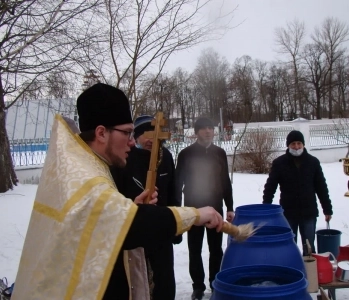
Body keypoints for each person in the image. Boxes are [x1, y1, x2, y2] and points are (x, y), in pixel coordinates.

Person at [12, 83, 224, 300]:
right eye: (127, 133)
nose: (132, 142)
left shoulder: (83, 163)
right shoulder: (84, 177)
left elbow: (101, 221)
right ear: (102, 133)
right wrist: (196, 214)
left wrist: (133, 209)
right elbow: (130, 224)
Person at [111, 114, 181, 300]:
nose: (151, 140)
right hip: (137, 232)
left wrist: (176, 227)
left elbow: (174, 190)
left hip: (163, 228)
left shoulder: (165, 157)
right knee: (140, 280)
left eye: (155, 135)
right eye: (146, 135)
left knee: (164, 280)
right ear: (137, 137)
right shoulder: (127, 158)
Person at [175, 117, 234, 300]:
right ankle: (198, 287)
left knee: (216, 249)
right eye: (203, 128)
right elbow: (178, 183)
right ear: (196, 132)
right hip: (193, 209)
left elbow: (225, 181)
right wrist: (178, 210)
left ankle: (215, 283)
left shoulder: (220, 153)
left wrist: (230, 206)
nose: (208, 131)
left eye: (211, 128)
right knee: (195, 249)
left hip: (215, 207)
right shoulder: (186, 154)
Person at [262, 130, 333, 255]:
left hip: (308, 212)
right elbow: (270, 187)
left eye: (299, 143)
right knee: (288, 246)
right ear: (288, 145)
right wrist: (266, 207)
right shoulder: (279, 163)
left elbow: (321, 187)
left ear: (303, 145)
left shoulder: (313, 162)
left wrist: (327, 209)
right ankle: (291, 271)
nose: (296, 147)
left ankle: (309, 271)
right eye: (293, 144)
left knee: (309, 246)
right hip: (288, 213)